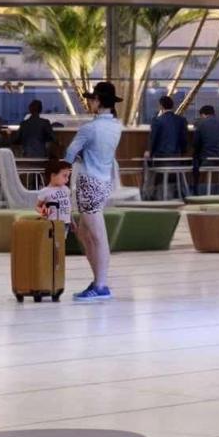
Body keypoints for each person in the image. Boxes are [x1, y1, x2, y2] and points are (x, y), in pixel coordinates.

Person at [62, 80, 130, 302]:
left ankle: (101, 285)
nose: (89, 102)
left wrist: (63, 175)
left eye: (91, 99)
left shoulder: (89, 128)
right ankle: (97, 281)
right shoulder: (115, 126)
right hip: (103, 182)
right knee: (84, 234)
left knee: (97, 236)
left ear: (99, 101)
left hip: (89, 183)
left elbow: (70, 154)